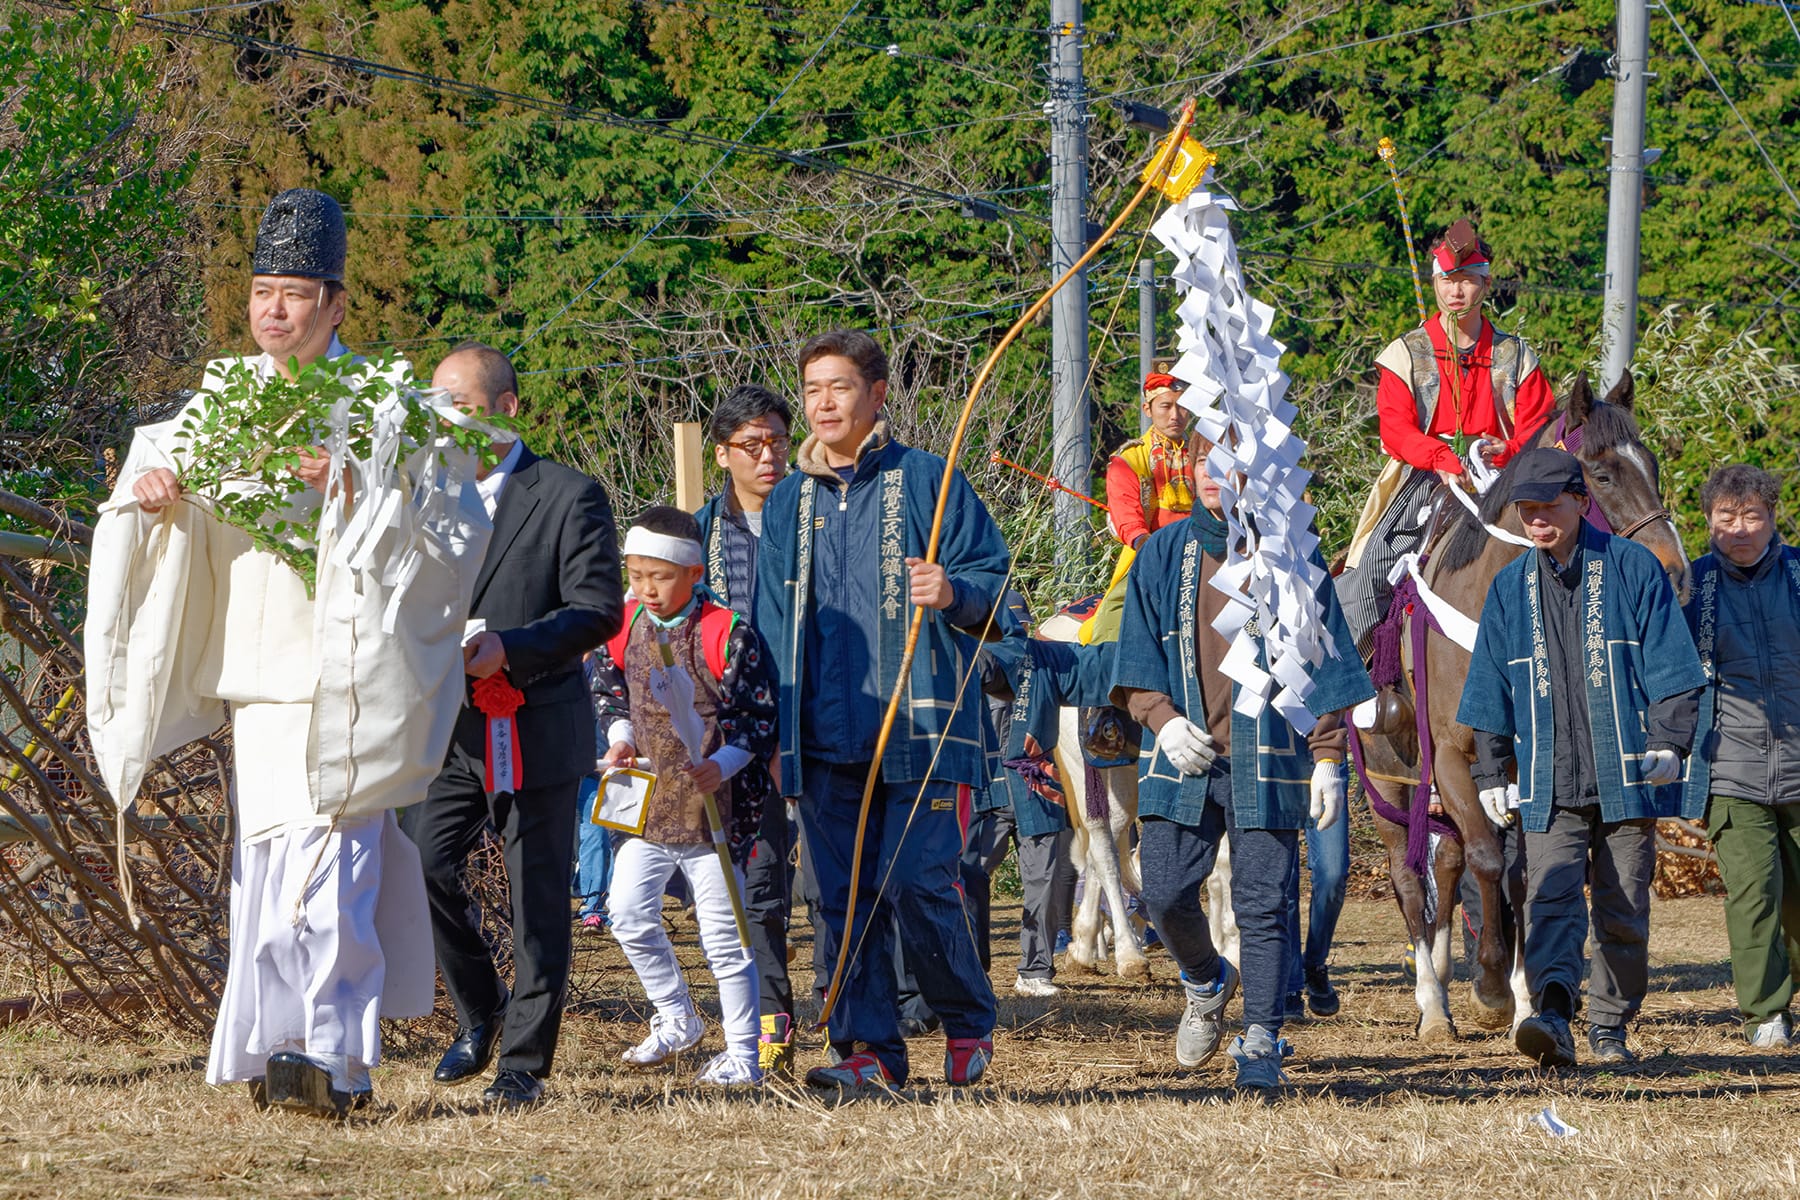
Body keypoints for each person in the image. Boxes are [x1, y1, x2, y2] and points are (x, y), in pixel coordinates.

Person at [101, 189, 446, 1116]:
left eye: (295, 292)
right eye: (262, 291)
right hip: (260, 674)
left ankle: (335, 1060)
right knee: (269, 867)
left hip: (348, 676)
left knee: (337, 866)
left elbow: (440, 517)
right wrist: (156, 486)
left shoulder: (383, 399)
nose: (275, 310)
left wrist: (358, 483)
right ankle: (275, 1047)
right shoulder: (223, 397)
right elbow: (147, 474)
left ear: (336, 304)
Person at [755, 329, 1008, 1090]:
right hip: (820, 733)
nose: (823, 403)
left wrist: (953, 593)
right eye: (811, 391)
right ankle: (868, 1052)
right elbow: (769, 622)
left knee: (918, 882)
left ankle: (966, 1020)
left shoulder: (929, 479)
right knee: (840, 897)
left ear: (877, 395)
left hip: (921, 727)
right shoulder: (789, 502)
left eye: (838, 387)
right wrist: (771, 731)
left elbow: (1000, 592)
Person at [1110, 437, 1373, 1092]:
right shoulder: (1163, 554)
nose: (1213, 475)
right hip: (1182, 754)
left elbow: (1327, 660)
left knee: (1263, 903)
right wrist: (1162, 720)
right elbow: (1136, 659)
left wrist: (1328, 759)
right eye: (1201, 461)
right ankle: (1204, 980)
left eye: (1231, 463)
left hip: (1270, 754)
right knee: (1165, 889)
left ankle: (1262, 1037)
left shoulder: (1293, 559)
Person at [401, 342, 623, 1108]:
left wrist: (511, 650)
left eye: (461, 407)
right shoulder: (422, 497)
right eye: (438, 409)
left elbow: (597, 609)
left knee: (536, 903)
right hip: (446, 732)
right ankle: (480, 1010)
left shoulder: (566, 494)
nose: (448, 424)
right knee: (421, 863)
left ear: (507, 409)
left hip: (535, 724)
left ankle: (524, 1063)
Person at [1458, 447, 1704, 1068]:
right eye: (1526, 510)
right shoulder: (1509, 587)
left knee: (1623, 908)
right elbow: (1490, 686)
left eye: (1547, 507)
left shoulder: (1632, 569)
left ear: (1579, 500)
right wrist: (1489, 771)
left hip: (1627, 774)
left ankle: (1611, 1026)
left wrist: (1671, 746)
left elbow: (1674, 668)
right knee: (1549, 898)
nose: (1536, 520)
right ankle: (1555, 1013)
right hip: (1546, 780)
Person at [592, 506, 778, 1085]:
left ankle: (746, 1053)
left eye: (661, 576)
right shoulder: (622, 625)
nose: (647, 588)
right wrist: (621, 739)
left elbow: (758, 719)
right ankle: (677, 1016)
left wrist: (721, 765)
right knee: (624, 910)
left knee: (725, 936)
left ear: (694, 572)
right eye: (637, 574)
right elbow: (610, 692)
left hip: (713, 811)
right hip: (648, 805)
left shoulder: (730, 630)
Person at [1338, 219, 1557, 653]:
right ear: (1433, 281)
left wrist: (1510, 448)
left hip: (1504, 479)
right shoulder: (1406, 352)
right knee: (1367, 578)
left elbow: (1540, 425)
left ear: (1486, 283)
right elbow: (1395, 428)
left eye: (1467, 281)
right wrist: (1439, 456)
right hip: (1426, 478)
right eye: (1446, 279)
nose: (1456, 290)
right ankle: (1359, 690)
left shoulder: (1516, 356)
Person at [695, 382, 798, 1074]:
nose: (767, 457)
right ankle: (772, 1018)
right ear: (724, 453)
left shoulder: (813, 513)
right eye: (751, 445)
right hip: (738, 733)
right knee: (753, 886)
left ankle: (852, 1018)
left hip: (819, 716)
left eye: (776, 442)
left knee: (832, 886)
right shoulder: (700, 532)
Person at [1680, 464, 1800, 1050]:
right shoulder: (1692, 587)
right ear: (1708, 523)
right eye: (1726, 518)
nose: (1740, 530)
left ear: (1773, 518)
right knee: (1754, 898)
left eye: (1752, 516)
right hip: (1732, 771)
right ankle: (1766, 1013)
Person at [1078, 370, 1194, 645]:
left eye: (1183, 406)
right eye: (1166, 406)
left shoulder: (1207, 453)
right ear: (1148, 409)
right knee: (1110, 626)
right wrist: (1151, 550)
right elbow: (1127, 517)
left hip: (1204, 550)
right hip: (1147, 554)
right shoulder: (1128, 459)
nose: (1175, 415)